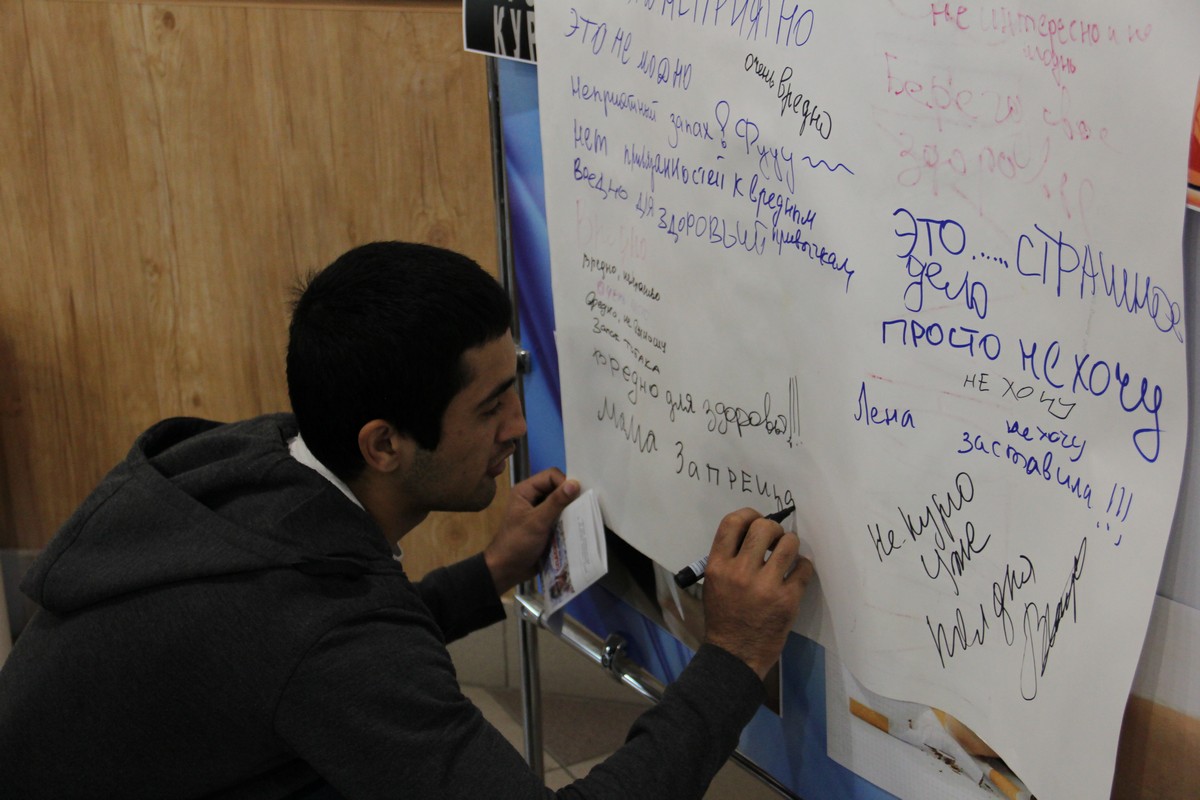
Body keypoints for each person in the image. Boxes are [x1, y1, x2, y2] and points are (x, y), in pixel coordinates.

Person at [0, 242, 814, 799]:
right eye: (489, 408)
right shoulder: (317, 632)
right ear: (383, 444)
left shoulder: (262, 462)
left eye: (513, 389)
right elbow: (335, 649)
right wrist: (734, 656)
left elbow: (326, 645)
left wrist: (488, 575)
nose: (517, 429)